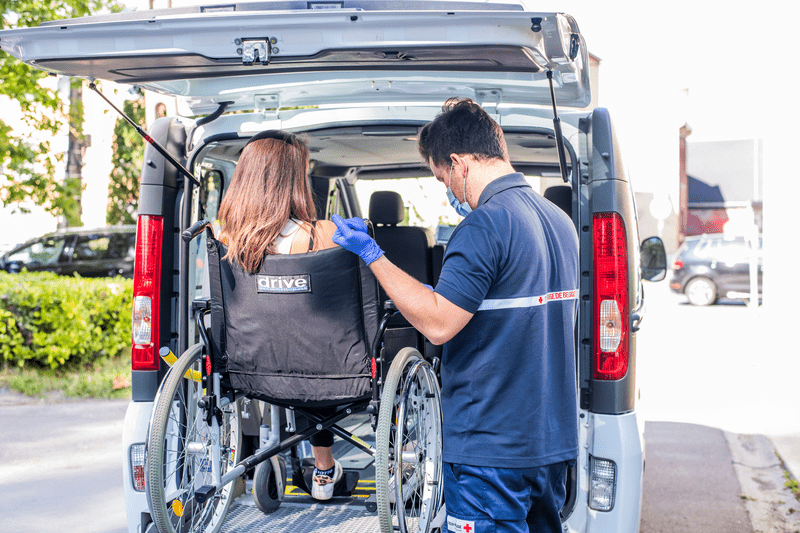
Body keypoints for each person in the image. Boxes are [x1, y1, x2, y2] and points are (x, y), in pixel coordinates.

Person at [332, 98, 579, 533]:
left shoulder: (485, 225)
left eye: (442, 176)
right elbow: (499, 305)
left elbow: (439, 324)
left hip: (490, 451)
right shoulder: (559, 221)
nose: (447, 189)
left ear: (459, 163)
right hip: (550, 446)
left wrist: (373, 255)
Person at [216, 129, 343, 501]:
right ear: (293, 181)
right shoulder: (324, 234)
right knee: (311, 342)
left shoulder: (223, 240)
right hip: (314, 367)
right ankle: (323, 467)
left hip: (247, 362)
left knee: (286, 344)